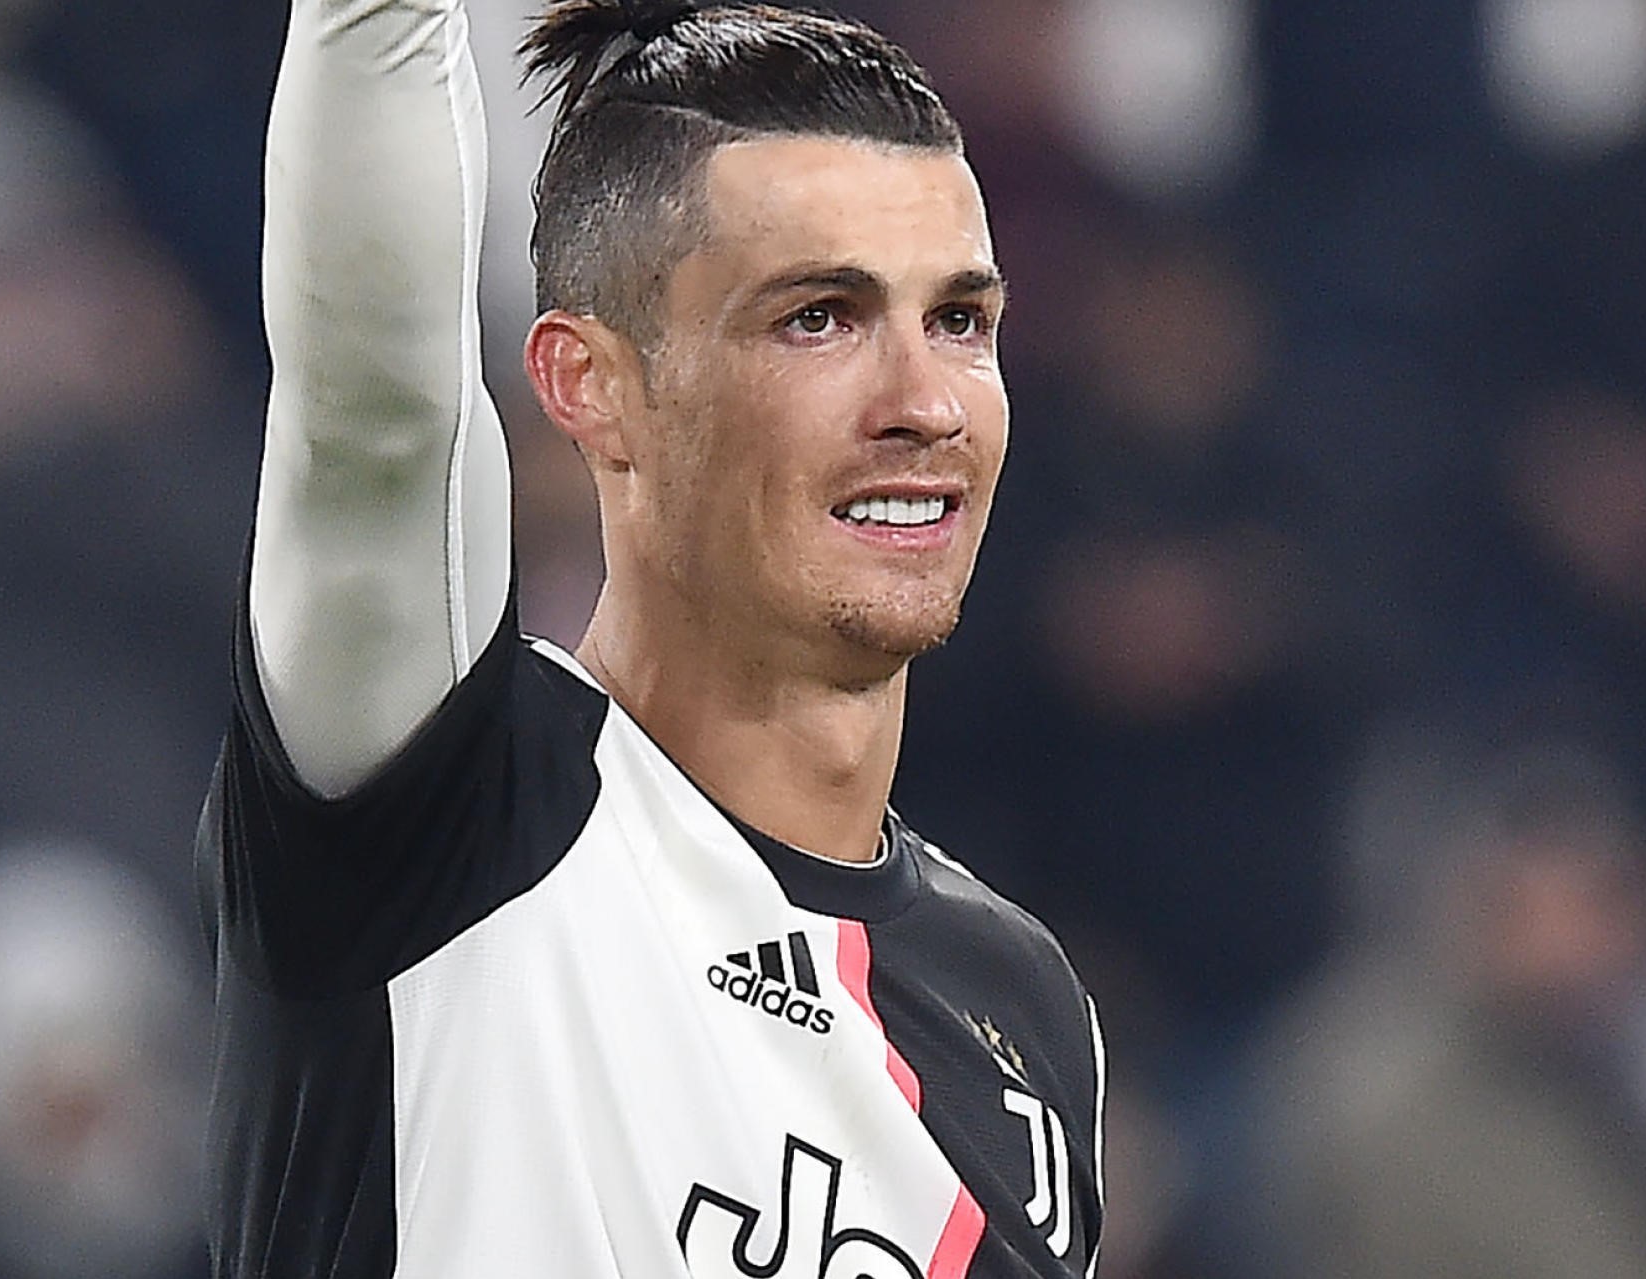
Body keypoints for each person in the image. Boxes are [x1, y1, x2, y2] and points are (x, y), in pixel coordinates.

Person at [199, 2, 1105, 1276]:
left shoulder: (1022, 1001)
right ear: (590, 383)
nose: (924, 404)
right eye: (819, 317)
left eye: (960, 321)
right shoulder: (447, 815)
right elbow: (374, 413)